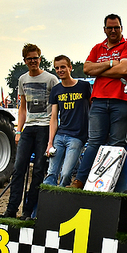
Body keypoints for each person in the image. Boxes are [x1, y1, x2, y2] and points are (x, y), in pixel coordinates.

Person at [67, 14, 127, 189]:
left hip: (122, 100)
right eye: (109, 28)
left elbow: (126, 69)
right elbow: (86, 68)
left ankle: (106, 184)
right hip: (98, 100)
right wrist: (112, 63)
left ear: (122, 28)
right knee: (94, 142)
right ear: (104, 29)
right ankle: (80, 181)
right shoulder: (97, 47)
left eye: (116, 27)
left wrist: (100, 69)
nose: (113, 31)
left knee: (116, 144)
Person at [1, 43, 58, 220]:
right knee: (19, 169)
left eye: (36, 58)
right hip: (29, 128)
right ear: (25, 60)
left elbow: (56, 109)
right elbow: (22, 108)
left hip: (44, 128)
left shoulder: (51, 79)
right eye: (29, 58)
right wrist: (18, 131)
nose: (33, 61)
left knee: (39, 170)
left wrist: (52, 135)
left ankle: (28, 211)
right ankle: (11, 210)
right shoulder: (23, 80)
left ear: (40, 59)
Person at [43, 55, 91, 187]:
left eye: (63, 67)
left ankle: (62, 200)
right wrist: (50, 142)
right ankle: (47, 198)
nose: (60, 70)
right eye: (57, 68)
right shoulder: (56, 90)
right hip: (60, 135)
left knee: (65, 174)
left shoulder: (84, 86)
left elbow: (92, 109)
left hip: (77, 137)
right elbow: (53, 117)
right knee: (51, 173)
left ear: (70, 67)